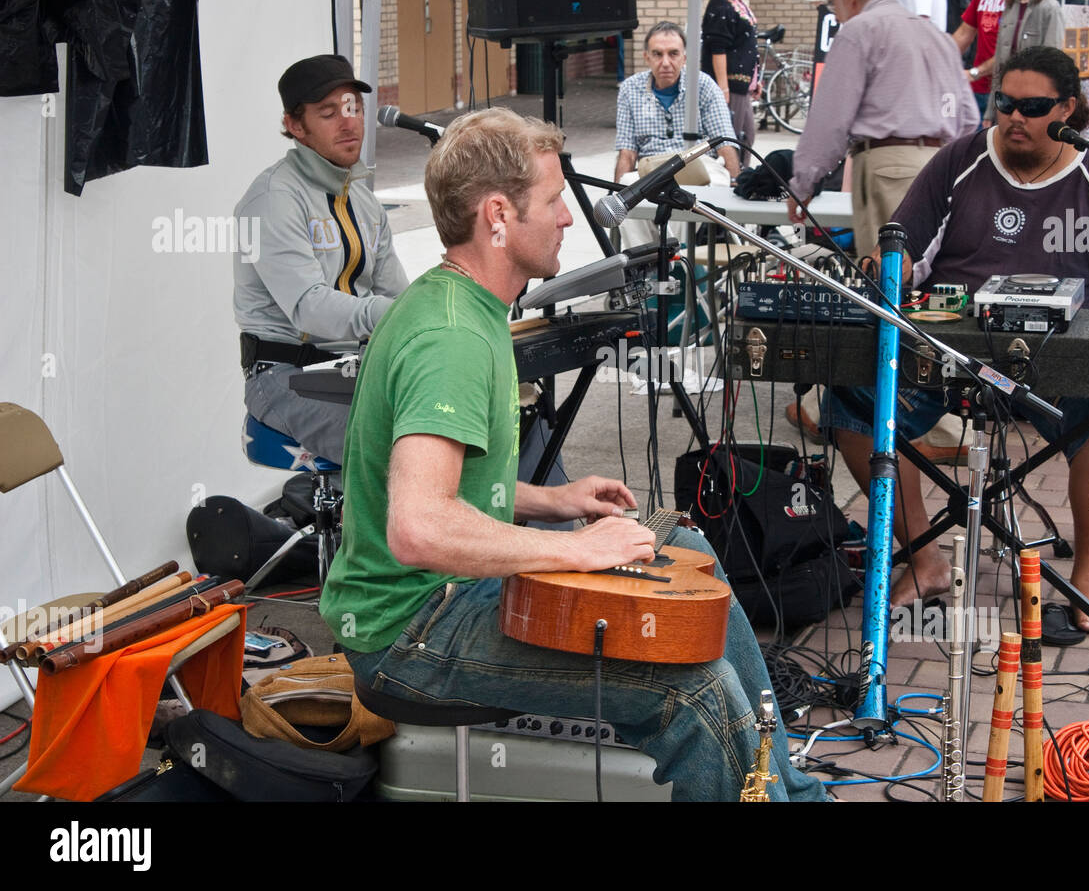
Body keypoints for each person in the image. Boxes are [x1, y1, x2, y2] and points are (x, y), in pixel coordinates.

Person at [320, 107, 826, 802]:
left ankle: (785, 791)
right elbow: (419, 526)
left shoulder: (467, 306)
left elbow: (437, 487)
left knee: (677, 544)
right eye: (554, 199)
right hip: (410, 634)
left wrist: (552, 503)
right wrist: (574, 549)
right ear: (498, 214)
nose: (567, 218)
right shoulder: (452, 340)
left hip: (443, 596)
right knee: (692, 691)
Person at [828, 46, 1089, 634]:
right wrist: (877, 269)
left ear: (1068, 110)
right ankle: (925, 560)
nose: (1013, 118)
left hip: (1067, 360)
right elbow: (902, 249)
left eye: (1032, 107)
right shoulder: (958, 162)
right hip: (957, 357)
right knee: (853, 403)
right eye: (1004, 103)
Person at [234, 54, 408, 466]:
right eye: (328, 113)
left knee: (486, 418)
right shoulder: (274, 199)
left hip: (353, 370)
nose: (348, 122)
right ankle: (373, 531)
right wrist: (403, 314)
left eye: (354, 108)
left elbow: (397, 292)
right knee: (411, 453)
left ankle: (549, 528)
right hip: (284, 378)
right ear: (296, 126)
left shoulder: (363, 200)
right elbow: (310, 309)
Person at [786, 0, 979, 259]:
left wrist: (803, 183)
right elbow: (966, 116)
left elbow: (830, 119)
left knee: (887, 281)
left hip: (887, 166)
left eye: (833, 4)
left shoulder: (859, 31)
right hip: (941, 164)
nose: (835, 15)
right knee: (928, 278)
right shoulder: (937, 36)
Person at [613, 21, 740, 249]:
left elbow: (725, 142)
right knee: (627, 190)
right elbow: (627, 151)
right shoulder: (630, 89)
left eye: (673, 54)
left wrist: (736, 186)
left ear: (684, 57)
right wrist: (617, 194)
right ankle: (645, 267)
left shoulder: (704, 86)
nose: (666, 62)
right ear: (646, 57)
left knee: (683, 194)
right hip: (650, 169)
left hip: (700, 165)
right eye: (657, 54)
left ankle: (675, 262)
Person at [983, 0, 1064, 125]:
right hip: (1004, 105)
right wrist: (989, 112)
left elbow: (1052, 68)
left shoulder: (1049, 9)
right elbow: (999, 66)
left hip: (1033, 110)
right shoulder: (1010, 6)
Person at [702, 0, 760, 155]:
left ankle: (740, 179)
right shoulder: (721, 6)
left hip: (743, 84)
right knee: (733, 140)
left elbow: (746, 43)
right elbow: (718, 48)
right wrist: (723, 89)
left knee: (747, 136)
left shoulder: (735, 1)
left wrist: (755, 79)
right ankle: (732, 180)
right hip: (731, 85)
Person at [951, 0, 1013, 116]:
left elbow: (1014, 48)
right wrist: (939, 59)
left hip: (1007, 91)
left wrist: (975, 72)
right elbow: (965, 33)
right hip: (977, 88)